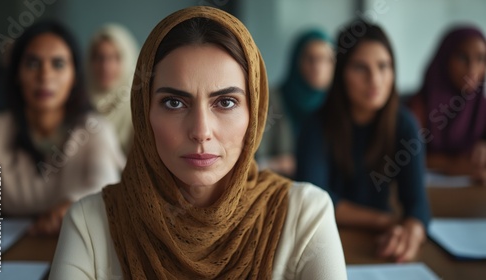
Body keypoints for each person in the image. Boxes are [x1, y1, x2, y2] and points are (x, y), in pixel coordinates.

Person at [49, 6, 347, 280]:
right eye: (175, 102)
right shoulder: (89, 224)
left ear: (254, 113)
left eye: (226, 102)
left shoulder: (305, 215)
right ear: (143, 112)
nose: (201, 131)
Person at [296, 20, 431, 263]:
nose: (375, 80)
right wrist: (384, 220)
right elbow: (315, 199)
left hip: (379, 244)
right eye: (360, 68)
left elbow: (417, 204)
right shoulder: (316, 124)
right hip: (322, 243)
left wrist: (413, 230)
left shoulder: (404, 124)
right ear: (341, 74)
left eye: (383, 66)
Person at [0, 20, 125, 236]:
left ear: (74, 77)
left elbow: (106, 190)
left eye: (58, 64)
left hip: (72, 242)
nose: (45, 76)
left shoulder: (94, 130)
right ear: (17, 74)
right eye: (32, 63)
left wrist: (71, 207)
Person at [408, 26, 486, 185]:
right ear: (444, 59)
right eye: (462, 57)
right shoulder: (419, 106)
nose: (472, 69)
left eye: (481, 59)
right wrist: (451, 165)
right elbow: (402, 158)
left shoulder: (483, 107)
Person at [257, 29, 335, 177]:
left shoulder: (339, 104)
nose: (318, 67)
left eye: (326, 60)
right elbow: (253, 162)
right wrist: (279, 163)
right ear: (296, 61)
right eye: (310, 59)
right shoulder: (272, 99)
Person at [87, 24, 139, 154]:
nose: (106, 66)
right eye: (99, 57)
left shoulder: (139, 107)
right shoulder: (76, 102)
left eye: (115, 58)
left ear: (129, 60)